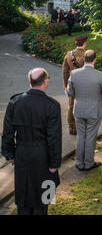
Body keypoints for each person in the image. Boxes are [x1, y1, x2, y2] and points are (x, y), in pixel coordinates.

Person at [1, 68, 61, 215]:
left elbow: (7, 133)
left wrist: (9, 154)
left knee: (23, 195)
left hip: (22, 153)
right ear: (45, 82)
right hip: (44, 155)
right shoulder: (52, 105)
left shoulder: (15, 102)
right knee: (44, 198)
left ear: (30, 81)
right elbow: (54, 138)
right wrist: (54, 163)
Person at [67, 50, 102, 171]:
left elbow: (69, 92)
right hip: (94, 111)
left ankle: (79, 162)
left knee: (81, 136)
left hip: (79, 109)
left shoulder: (74, 74)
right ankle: (88, 162)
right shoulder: (100, 75)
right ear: (94, 60)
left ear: (83, 60)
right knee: (90, 136)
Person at [62, 35, 87, 135]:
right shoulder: (87, 55)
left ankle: (72, 128)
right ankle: (82, 127)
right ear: (84, 43)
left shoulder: (69, 54)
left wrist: (65, 86)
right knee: (84, 106)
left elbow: (65, 71)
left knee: (71, 106)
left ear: (76, 43)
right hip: (85, 85)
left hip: (72, 85)